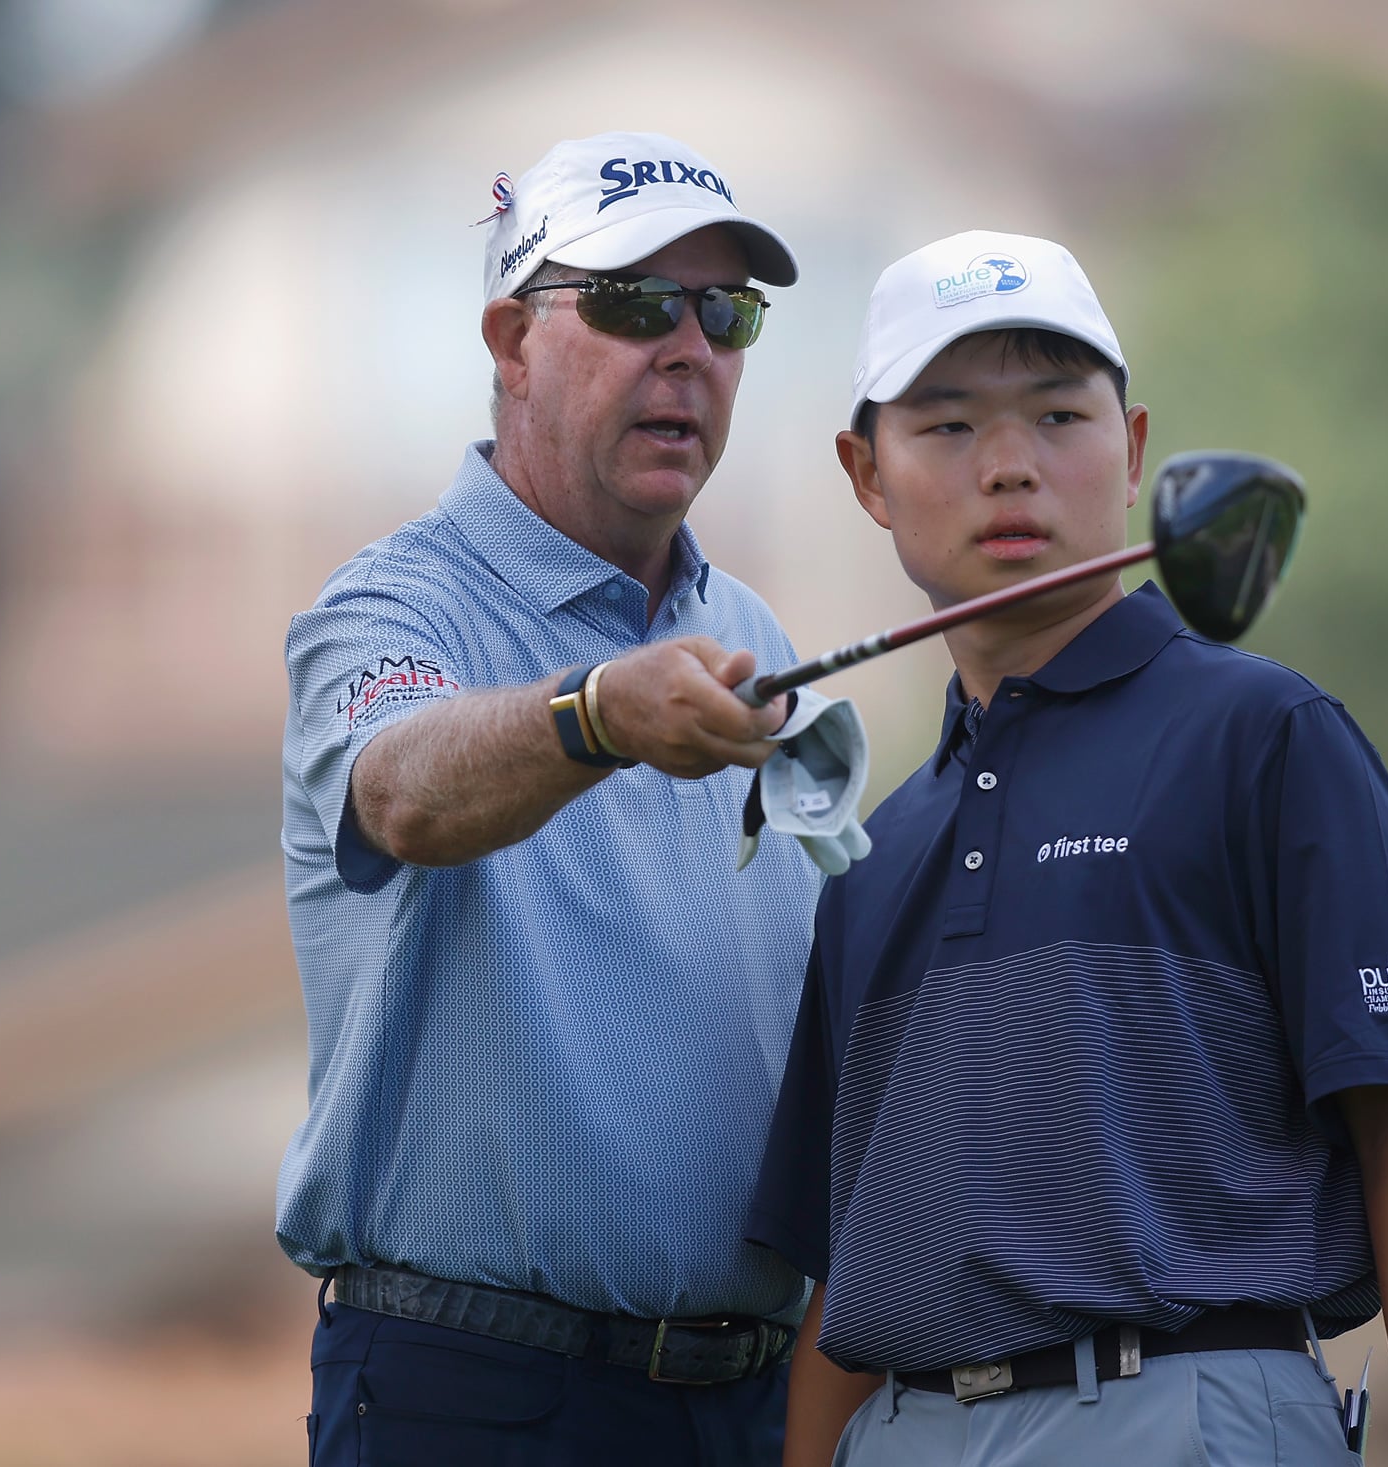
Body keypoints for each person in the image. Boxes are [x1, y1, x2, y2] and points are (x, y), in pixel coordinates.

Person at [746, 231, 1388, 1466]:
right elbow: (845, 1276)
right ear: (864, 475)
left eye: (1056, 415)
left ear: (1133, 450)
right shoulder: (872, 852)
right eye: (945, 427)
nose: (1009, 468)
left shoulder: (1265, 737)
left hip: (1187, 1411)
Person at [277, 131, 849, 1467]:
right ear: (511, 342)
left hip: (747, 1406)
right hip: (471, 1394)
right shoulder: (389, 608)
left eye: (728, 311)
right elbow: (404, 788)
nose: (690, 348)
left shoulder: (755, 632)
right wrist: (597, 714)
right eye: (636, 302)